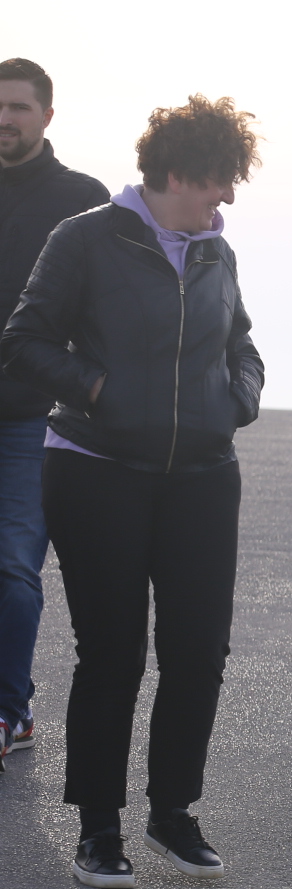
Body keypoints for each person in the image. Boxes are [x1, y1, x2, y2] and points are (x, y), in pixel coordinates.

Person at [0, 95, 264, 889]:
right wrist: (99, 387)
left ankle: (173, 815)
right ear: (178, 171)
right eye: (221, 179)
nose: (229, 196)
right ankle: (99, 830)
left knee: (200, 654)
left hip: (203, 478)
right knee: (112, 654)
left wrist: (237, 398)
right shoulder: (86, 237)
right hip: (97, 469)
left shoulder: (217, 252)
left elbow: (242, 340)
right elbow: (25, 338)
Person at [0, 58, 108, 765]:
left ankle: (9, 710)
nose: (4, 120)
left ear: (45, 115)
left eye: (17, 108)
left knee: (11, 569)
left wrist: (94, 391)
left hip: (31, 418)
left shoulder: (83, 200)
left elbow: (109, 309)